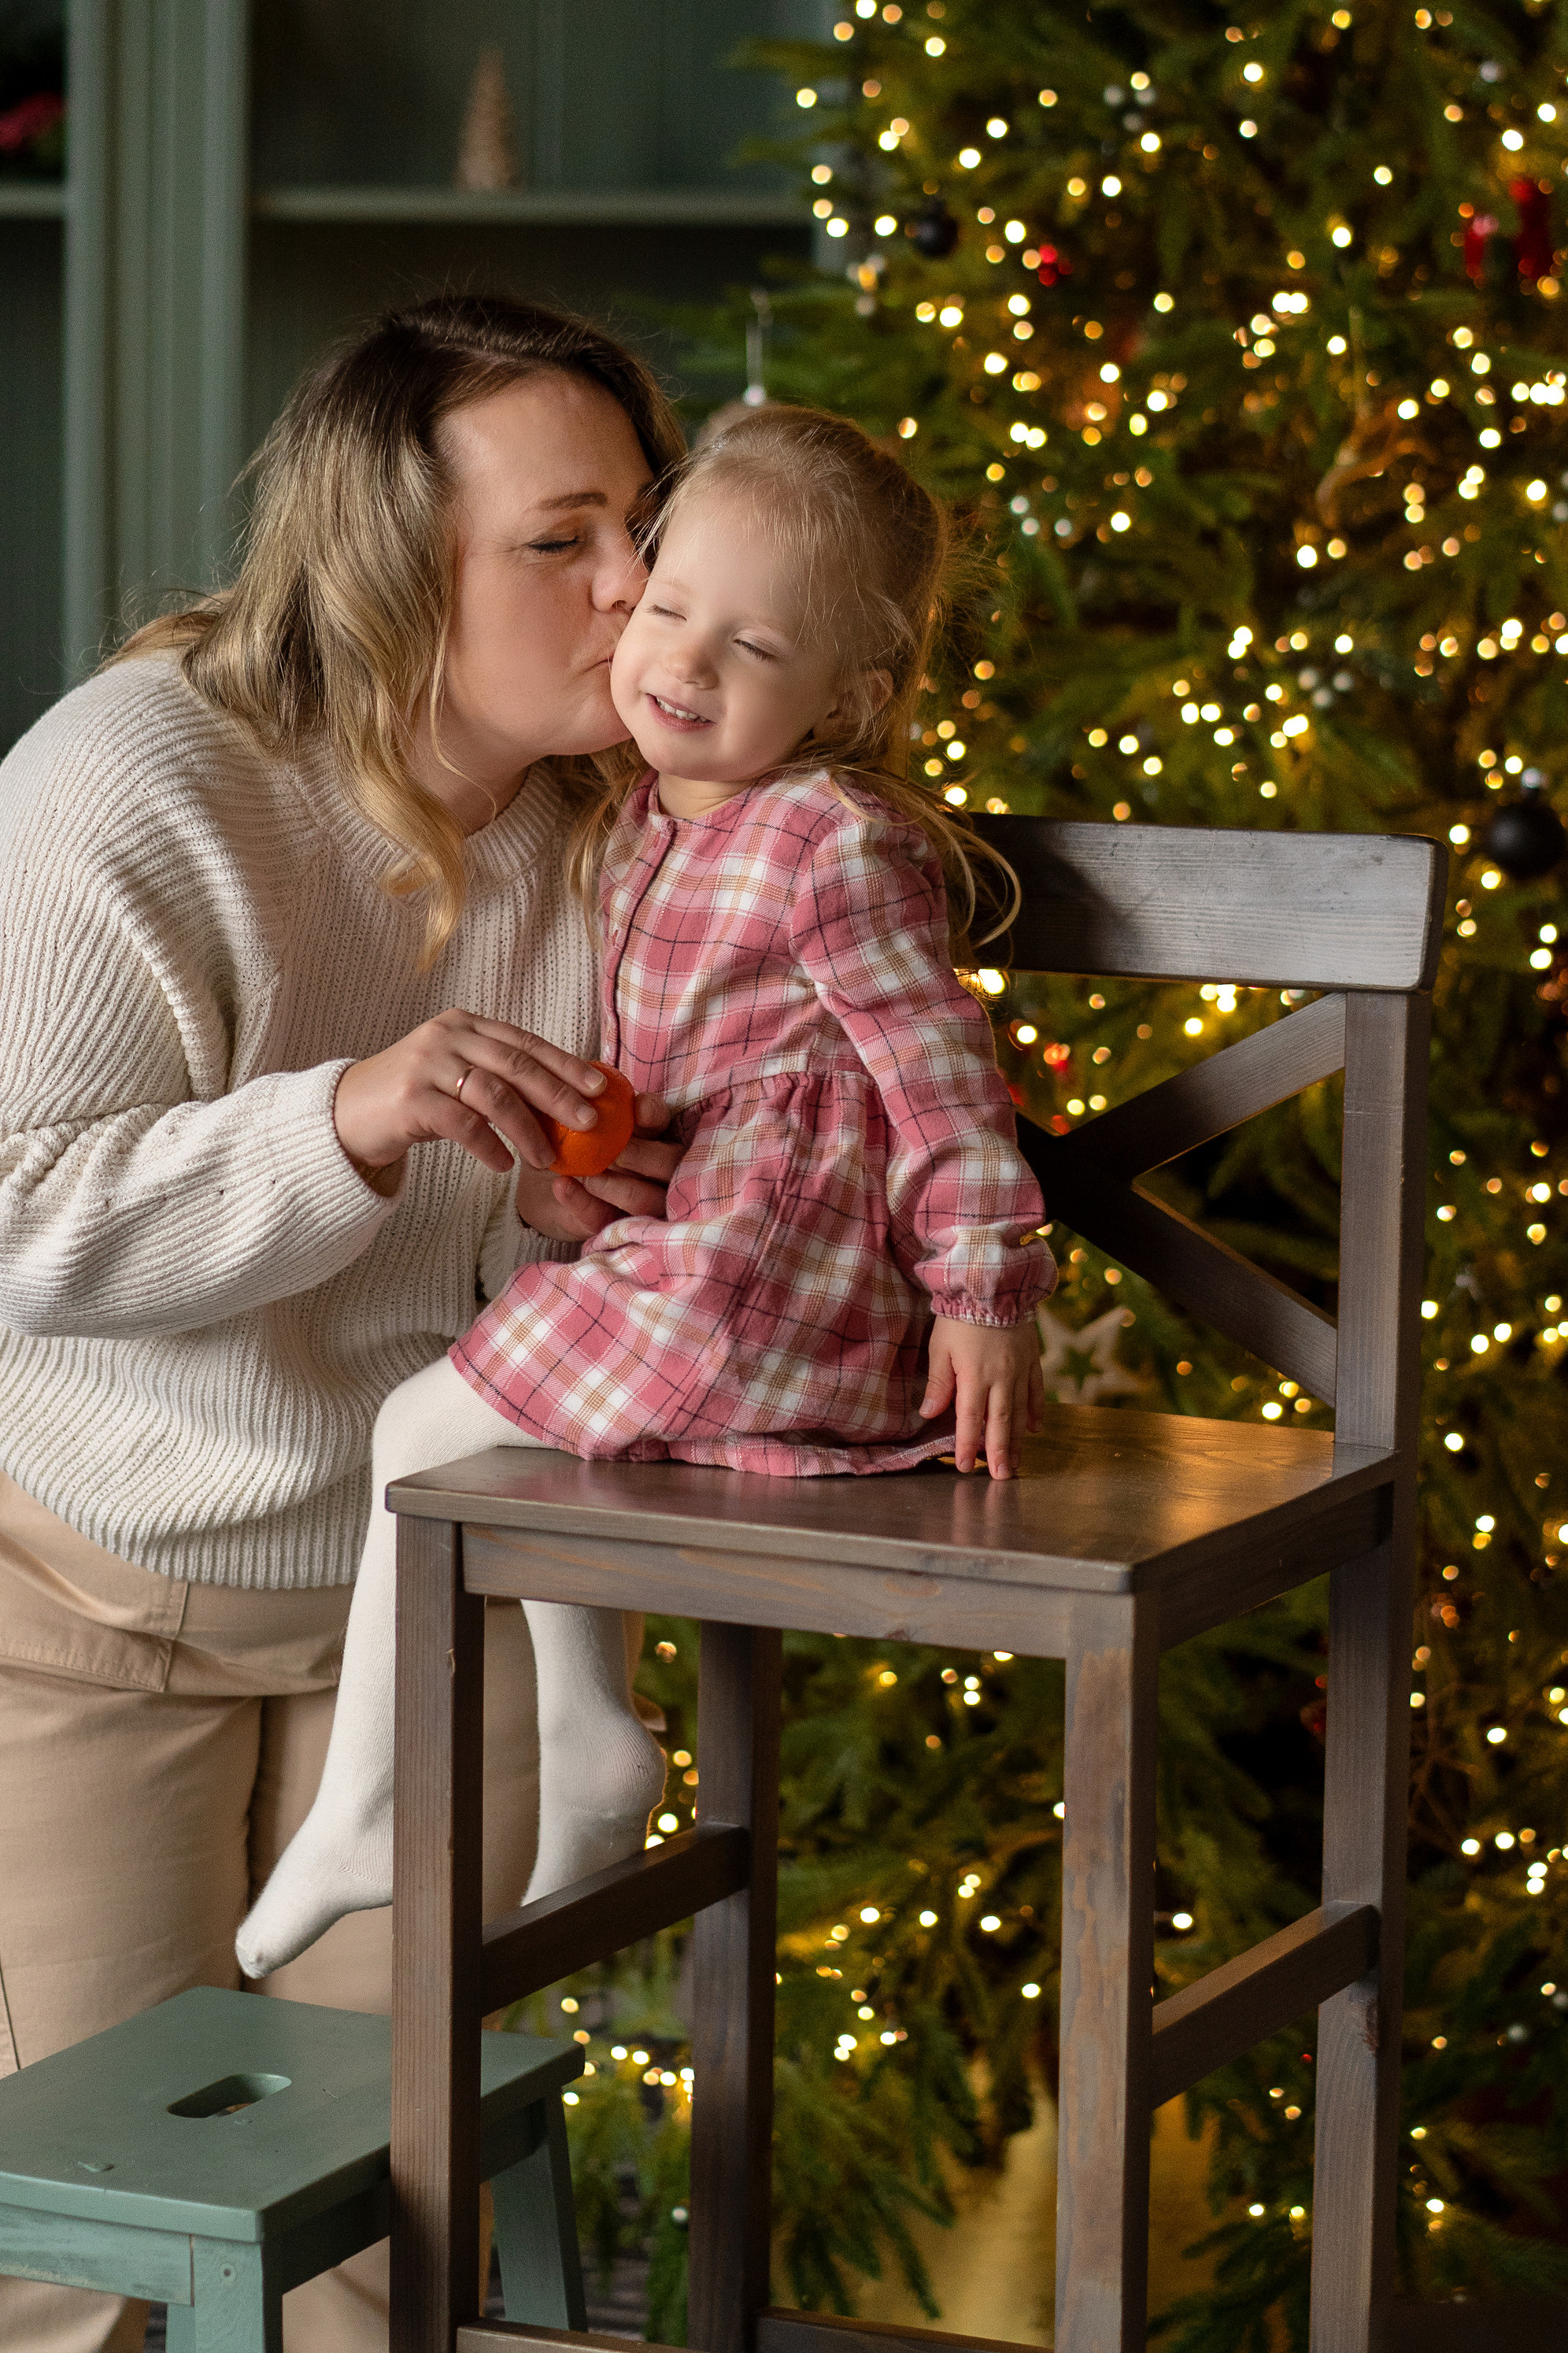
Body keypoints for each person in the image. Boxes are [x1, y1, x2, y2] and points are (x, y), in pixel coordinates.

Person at [0, 295, 682, 2353]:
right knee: (62, 2214)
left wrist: (573, 1214)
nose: (634, 587)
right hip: (58, 1565)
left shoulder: (634, 819)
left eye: (645, 525)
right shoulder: (131, 782)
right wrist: (352, 1115)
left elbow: (617, 1216)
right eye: (563, 541)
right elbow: (14, 1219)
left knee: (379, 2210)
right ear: (392, 565)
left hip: (407, 1580)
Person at [239, 403, 1056, 1981]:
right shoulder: (639, 815)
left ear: (847, 695)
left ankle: (365, 1805)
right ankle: (596, 1740)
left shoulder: (828, 841)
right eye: (670, 608)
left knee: (419, 1427)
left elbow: (940, 1069)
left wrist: (982, 1289)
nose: (682, 661)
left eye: (753, 645)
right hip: (696, 1254)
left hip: (768, 1287)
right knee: (509, 1427)